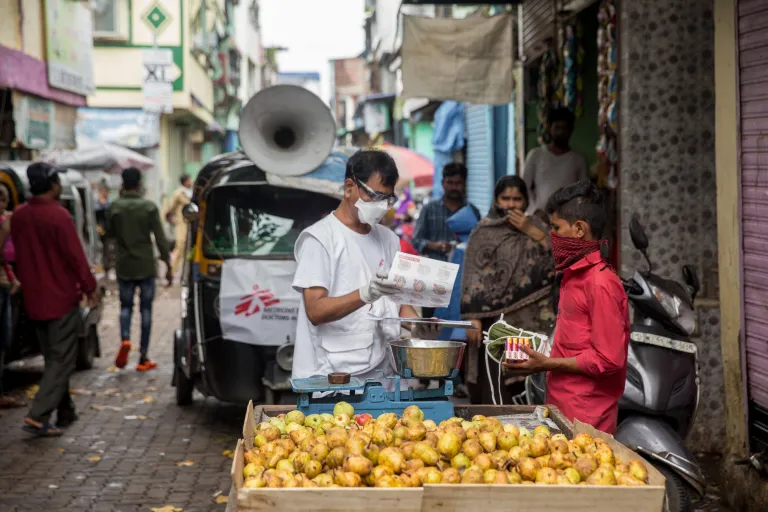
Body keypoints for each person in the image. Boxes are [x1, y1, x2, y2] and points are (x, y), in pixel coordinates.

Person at [291, 150, 437, 385]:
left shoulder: (388, 239)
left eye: (389, 199)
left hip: (384, 377)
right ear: (350, 187)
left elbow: (400, 305)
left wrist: (418, 326)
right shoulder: (320, 239)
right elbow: (315, 311)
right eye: (376, 196)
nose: (383, 207)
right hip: (332, 380)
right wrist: (364, 295)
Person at [505, 180, 629, 434]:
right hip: (561, 407)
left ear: (579, 229)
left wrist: (546, 364)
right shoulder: (572, 275)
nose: (552, 235)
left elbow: (607, 359)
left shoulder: (600, 283)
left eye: (556, 227)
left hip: (586, 418)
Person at [12, 163, 99, 437]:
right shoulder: (59, 216)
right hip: (60, 298)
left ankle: (65, 410)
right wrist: (90, 287)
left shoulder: (19, 216)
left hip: (33, 300)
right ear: (53, 185)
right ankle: (38, 415)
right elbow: (76, 257)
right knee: (61, 360)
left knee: (53, 358)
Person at [461, 176, 556, 404]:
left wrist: (532, 231)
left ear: (526, 201)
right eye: (506, 199)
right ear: (496, 200)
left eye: (517, 199)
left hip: (533, 320)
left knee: (531, 375)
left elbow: (557, 260)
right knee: (497, 379)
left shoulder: (537, 225)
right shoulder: (483, 231)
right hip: (495, 321)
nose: (511, 205)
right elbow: (473, 274)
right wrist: (473, 317)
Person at [108, 168, 172, 372]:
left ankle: (125, 339)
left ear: (123, 184)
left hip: (124, 264)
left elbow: (109, 236)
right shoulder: (149, 207)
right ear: (139, 184)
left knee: (125, 307)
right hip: (145, 264)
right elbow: (160, 238)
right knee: (146, 310)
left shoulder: (115, 207)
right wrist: (168, 264)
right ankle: (143, 356)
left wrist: (108, 263)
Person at [523, 107, 589, 215]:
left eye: (565, 128)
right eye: (557, 128)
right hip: (537, 218)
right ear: (550, 129)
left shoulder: (578, 160)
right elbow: (525, 187)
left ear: (571, 130)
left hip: (566, 221)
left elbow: (584, 193)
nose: (561, 132)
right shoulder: (535, 155)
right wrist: (535, 210)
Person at [412, 163, 481, 263]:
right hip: (434, 269)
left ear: (465, 184)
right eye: (450, 182)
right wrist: (435, 245)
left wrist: (458, 246)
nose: (453, 187)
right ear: (442, 183)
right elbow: (416, 240)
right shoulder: (429, 209)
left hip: (463, 270)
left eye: (458, 183)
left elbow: (480, 244)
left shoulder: (473, 212)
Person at [0, 185, 23, 408]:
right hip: (2, 285)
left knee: (5, 341)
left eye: (4, 200)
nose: (1, 205)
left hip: (6, 284)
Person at [166, 174, 193, 274]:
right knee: (181, 245)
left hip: (192, 223)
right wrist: (171, 218)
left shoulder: (191, 193)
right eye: (190, 180)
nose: (192, 182)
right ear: (185, 181)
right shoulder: (178, 193)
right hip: (182, 223)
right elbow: (171, 208)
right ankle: (171, 271)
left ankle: (187, 273)